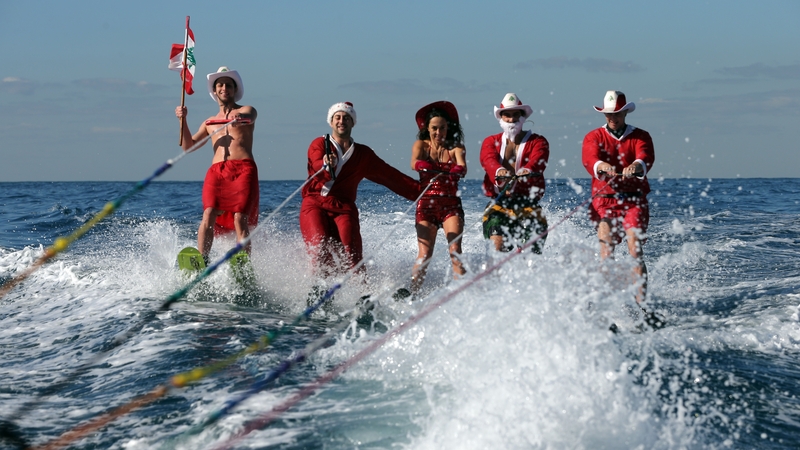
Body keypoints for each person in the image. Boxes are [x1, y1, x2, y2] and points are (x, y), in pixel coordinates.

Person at [300, 102, 421, 280]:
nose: (342, 121)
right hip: (315, 204)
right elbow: (316, 162)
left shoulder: (363, 154)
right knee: (319, 246)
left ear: (352, 123)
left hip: (344, 207)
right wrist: (326, 164)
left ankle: (362, 292)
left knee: (351, 253)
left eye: (347, 118)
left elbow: (390, 176)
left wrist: (422, 191)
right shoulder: (319, 144)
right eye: (338, 117)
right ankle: (318, 286)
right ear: (331, 122)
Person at [175, 66, 259, 262]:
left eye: (228, 85)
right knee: (209, 212)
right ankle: (202, 260)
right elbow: (188, 146)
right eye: (220, 85)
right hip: (217, 171)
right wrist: (182, 120)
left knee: (240, 217)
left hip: (243, 168)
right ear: (215, 91)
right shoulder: (209, 122)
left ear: (234, 89)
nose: (224, 88)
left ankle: (243, 262)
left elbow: (250, 117)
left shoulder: (246, 110)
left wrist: (240, 119)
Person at [581, 90, 655, 305]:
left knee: (635, 249)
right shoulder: (594, 136)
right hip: (604, 200)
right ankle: (608, 304)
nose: (613, 118)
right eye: (608, 115)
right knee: (606, 250)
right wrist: (601, 165)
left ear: (625, 114)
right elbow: (589, 157)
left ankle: (642, 305)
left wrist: (636, 165)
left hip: (634, 200)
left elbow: (645, 156)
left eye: (617, 114)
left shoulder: (641, 136)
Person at [409, 101, 467, 293]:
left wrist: (458, 168)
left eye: (442, 128)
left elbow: (462, 165)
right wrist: (421, 165)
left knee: (455, 251)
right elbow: (414, 162)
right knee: (425, 254)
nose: (438, 132)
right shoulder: (421, 145)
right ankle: (413, 294)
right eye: (434, 128)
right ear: (427, 128)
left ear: (448, 128)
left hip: (451, 206)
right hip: (426, 206)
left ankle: (463, 294)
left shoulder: (456, 147)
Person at [480, 93, 549, 253]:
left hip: (529, 205)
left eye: (515, 115)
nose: (511, 120)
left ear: (522, 117)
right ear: (501, 118)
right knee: (497, 246)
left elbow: (539, 159)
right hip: (499, 204)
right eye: (507, 115)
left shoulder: (538, 141)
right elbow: (487, 159)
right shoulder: (490, 141)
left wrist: (528, 169)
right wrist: (499, 170)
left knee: (530, 250)